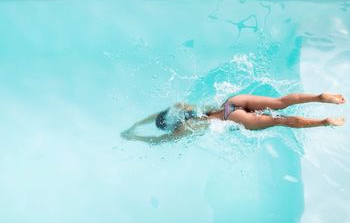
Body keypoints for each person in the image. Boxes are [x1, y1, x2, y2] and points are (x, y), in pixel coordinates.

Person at [121, 93, 345, 144]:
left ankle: (324, 122)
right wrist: (136, 124)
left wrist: (134, 137)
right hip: (230, 104)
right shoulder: (182, 107)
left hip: (232, 120)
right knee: (279, 103)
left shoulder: (183, 128)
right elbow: (155, 116)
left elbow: (158, 142)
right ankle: (320, 96)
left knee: (280, 120)